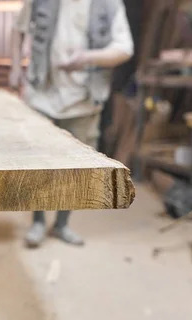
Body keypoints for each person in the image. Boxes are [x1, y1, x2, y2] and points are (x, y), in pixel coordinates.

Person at [9, 0, 134, 248]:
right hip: (41, 93)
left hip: (84, 99)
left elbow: (125, 48)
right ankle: (38, 222)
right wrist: (14, 66)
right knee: (37, 165)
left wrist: (88, 57)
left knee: (74, 170)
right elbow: (17, 28)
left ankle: (62, 224)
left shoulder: (108, 4)